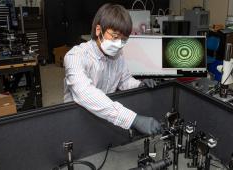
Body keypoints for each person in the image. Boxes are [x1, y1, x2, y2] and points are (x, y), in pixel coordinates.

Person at [64, 3, 161, 135]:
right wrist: (133, 120)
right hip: (78, 117)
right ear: (99, 30)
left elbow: (124, 80)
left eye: (123, 40)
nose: (118, 44)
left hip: (107, 116)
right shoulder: (75, 56)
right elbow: (85, 92)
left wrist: (139, 84)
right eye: (115, 37)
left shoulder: (117, 55)